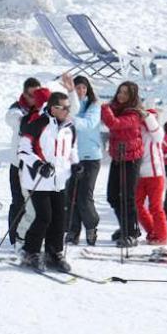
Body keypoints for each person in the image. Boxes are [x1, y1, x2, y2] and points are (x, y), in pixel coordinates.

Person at [18, 90, 78, 273]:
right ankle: (30, 252)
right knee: (44, 216)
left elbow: (72, 148)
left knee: (60, 218)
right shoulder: (38, 124)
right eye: (64, 107)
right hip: (38, 179)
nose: (68, 110)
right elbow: (23, 151)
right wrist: (39, 165)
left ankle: (54, 252)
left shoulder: (70, 127)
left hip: (59, 180)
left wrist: (75, 164)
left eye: (69, 107)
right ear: (53, 108)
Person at [100, 80, 147, 245]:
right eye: (120, 91)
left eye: (126, 93)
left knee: (128, 197)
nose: (121, 95)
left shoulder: (134, 114)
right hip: (118, 156)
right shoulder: (117, 109)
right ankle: (126, 227)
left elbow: (114, 123)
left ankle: (131, 233)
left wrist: (104, 108)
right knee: (113, 196)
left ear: (132, 96)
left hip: (131, 159)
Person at [5, 77, 50, 245]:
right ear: (25, 94)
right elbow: (15, 121)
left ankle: (32, 236)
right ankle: (14, 237)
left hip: (38, 165)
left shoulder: (44, 110)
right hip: (18, 163)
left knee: (38, 203)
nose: (35, 98)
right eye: (32, 95)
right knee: (18, 201)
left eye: (38, 94)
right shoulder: (17, 109)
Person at [65, 74, 103, 247]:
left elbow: (88, 124)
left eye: (83, 88)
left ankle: (91, 226)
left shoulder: (93, 106)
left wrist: (69, 118)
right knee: (70, 194)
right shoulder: (70, 105)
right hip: (71, 157)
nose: (80, 91)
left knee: (84, 196)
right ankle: (73, 230)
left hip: (90, 157)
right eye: (77, 87)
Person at [134, 105, 167, 246]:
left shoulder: (157, 132)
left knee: (155, 207)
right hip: (140, 175)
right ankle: (152, 230)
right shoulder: (138, 131)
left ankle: (162, 236)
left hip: (155, 174)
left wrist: (147, 116)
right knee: (137, 205)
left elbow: (156, 131)